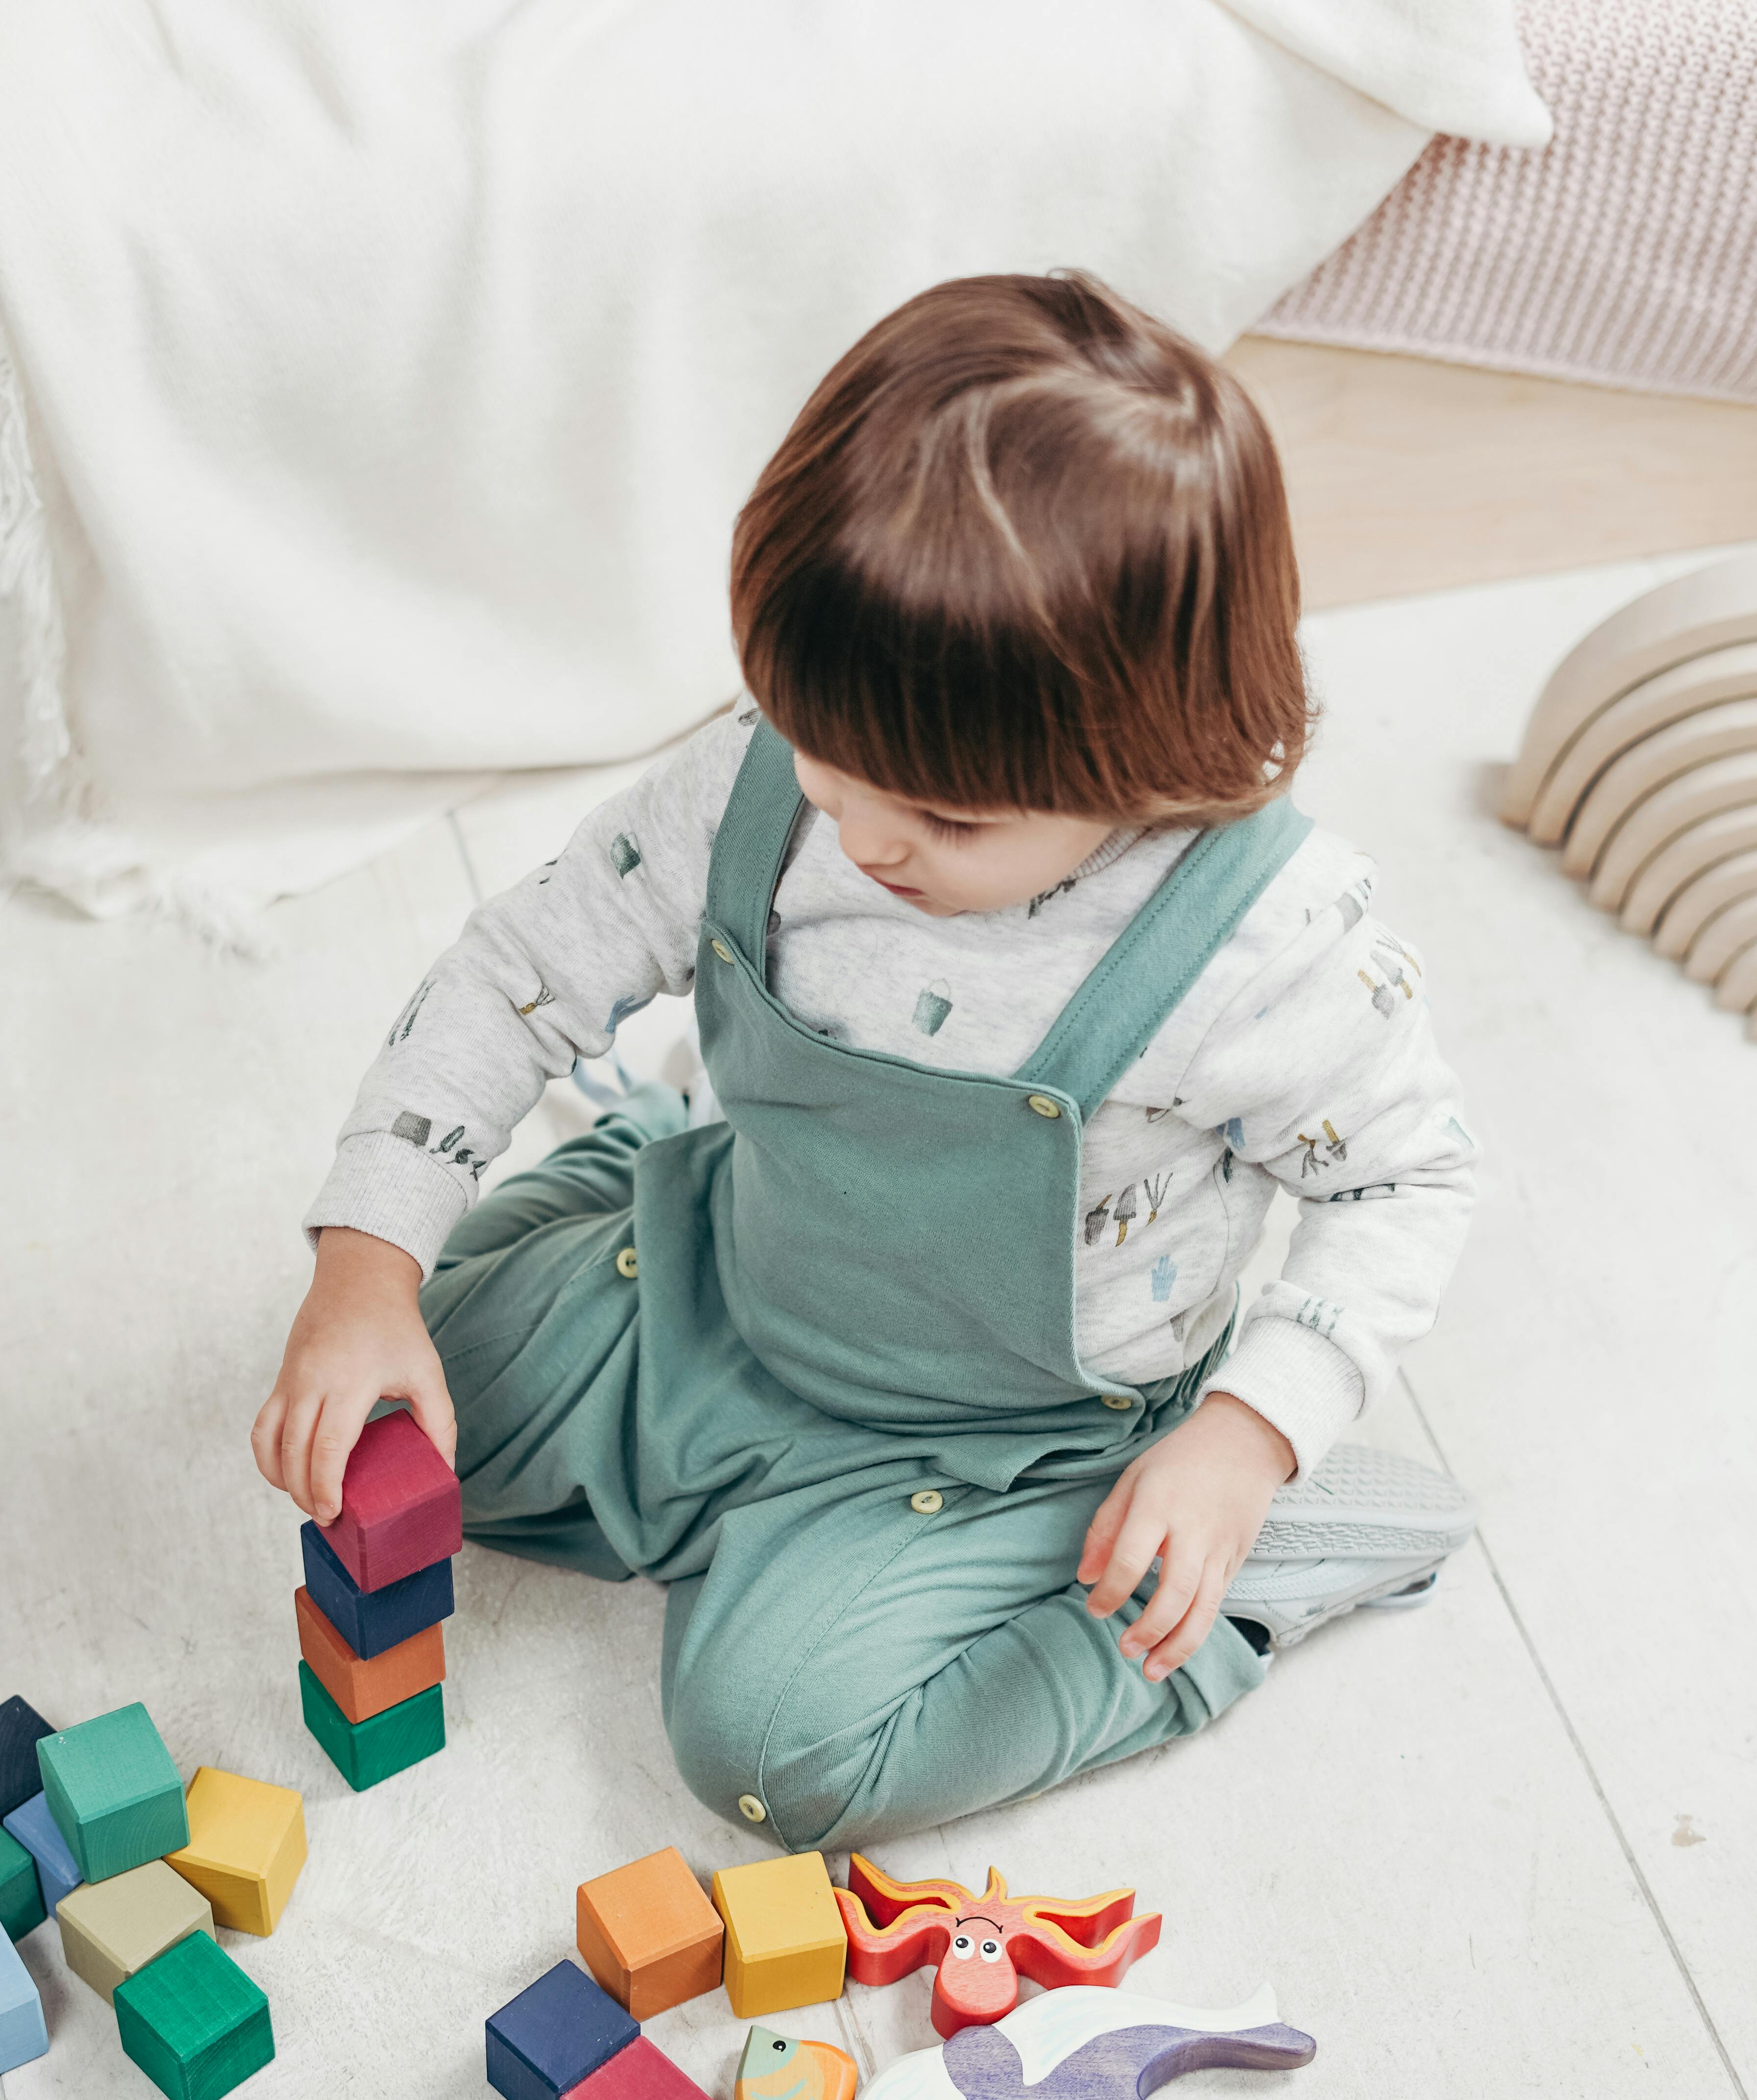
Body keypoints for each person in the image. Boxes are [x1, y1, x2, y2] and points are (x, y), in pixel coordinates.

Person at [253, 272, 1478, 1851]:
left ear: (1150, 750)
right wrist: (364, 1269)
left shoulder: (1262, 942)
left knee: (777, 1749)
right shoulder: (781, 766)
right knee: (400, 1410)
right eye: (822, 770)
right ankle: (641, 1177)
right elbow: (521, 965)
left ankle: (1251, 1578)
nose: (867, 840)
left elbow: (1410, 1175)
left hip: (1005, 1441)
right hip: (735, 1273)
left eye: (948, 820)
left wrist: (1247, 1436)